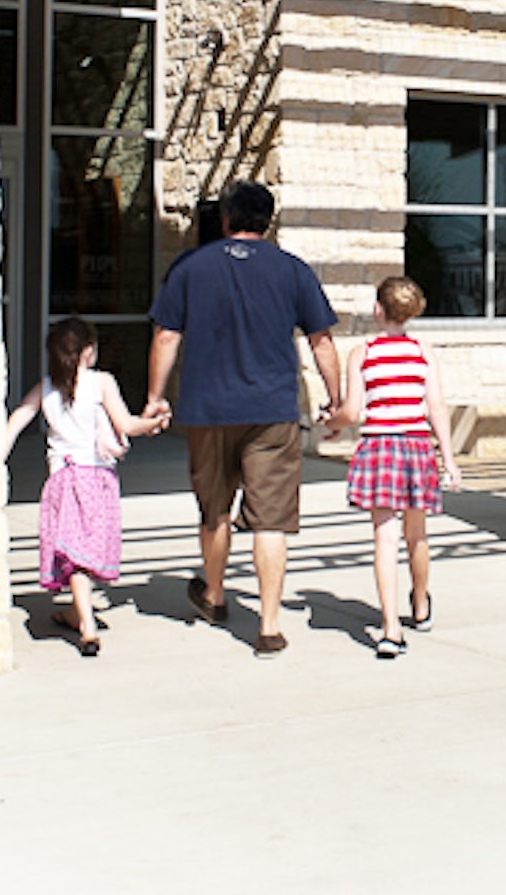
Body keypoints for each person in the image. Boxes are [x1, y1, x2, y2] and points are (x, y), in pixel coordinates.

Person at [145, 178, 340, 657]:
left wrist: (154, 397)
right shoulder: (293, 270)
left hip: (208, 409)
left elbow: (166, 336)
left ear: (226, 219)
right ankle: (269, 626)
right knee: (270, 521)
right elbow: (322, 342)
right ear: (268, 221)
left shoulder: (191, 266)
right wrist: (336, 399)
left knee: (215, 510)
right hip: (272, 411)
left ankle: (213, 594)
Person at [4, 316, 166, 656]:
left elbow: (17, 419)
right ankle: (88, 628)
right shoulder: (101, 382)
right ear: (89, 351)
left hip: (62, 479)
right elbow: (126, 423)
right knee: (81, 556)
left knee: (73, 553)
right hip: (95, 479)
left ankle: (76, 613)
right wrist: (152, 423)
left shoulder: (45, 387)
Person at [327, 274, 461, 659]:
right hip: (417, 446)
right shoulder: (422, 351)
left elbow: (352, 411)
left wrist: (332, 424)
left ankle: (390, 629)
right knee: (416, 534)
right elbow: (436, 406)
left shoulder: (362, 352)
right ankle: (420, 603)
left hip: (380, 448)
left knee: (384, 538)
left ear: (378, 310)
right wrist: (448, 460)